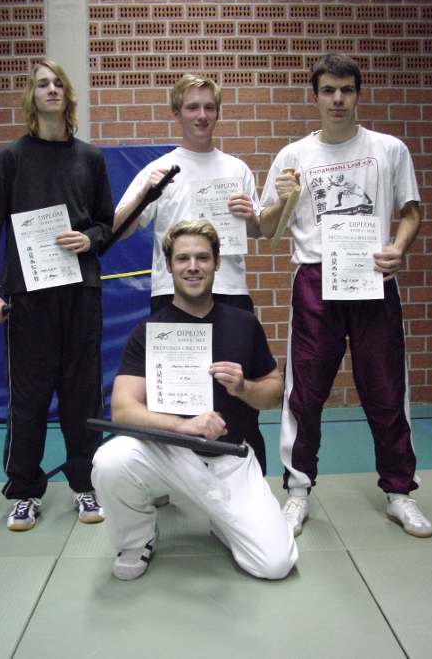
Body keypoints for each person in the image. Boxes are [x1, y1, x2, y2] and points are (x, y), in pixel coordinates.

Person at [260, 53, 432, 539]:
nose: (338, 99)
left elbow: (412, 209)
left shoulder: (388, 149)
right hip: (316, 283)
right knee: (305, 392)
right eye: (329, 90)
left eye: (347, 90)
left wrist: (398, 247)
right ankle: (297, 490)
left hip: (373, 281)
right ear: (314, 96)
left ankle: (400, 492)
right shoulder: (293, 156)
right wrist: (281, 196)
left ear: (358, 94)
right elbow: (267, 229)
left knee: (385, 388)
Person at [91, 220, 298, 581]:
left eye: (203, 257)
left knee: (275, 565)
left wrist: (243, 388)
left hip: (231, 457)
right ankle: (137, 539)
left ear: (217, 263)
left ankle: (224, 521)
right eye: (183, 258)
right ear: (168, 265)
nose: (193, 266)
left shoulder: (244, 323)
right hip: (170, 453)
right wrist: (184, 425)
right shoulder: (149, 332)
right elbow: (123, 409)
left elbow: (274, 391)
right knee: (110, 459)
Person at [0, 59, 115, 531]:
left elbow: (106, 222)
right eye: (42, 84)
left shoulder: (90, 158)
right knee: (29, 397)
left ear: (67, 94)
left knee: (82, 395)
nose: (51, 89)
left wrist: (89, 239)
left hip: (80, 292)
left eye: (58, 82)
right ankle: (25, 491)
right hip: (27, 297)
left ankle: (85, 483)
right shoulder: (11, 158)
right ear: (32, 97)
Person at [113, 73, 268, 472]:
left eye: (209, 107)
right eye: (192, 108)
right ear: (177, 114)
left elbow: (260, 231)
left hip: (231, 292)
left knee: (235, 389)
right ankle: (167, 473)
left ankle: (244, 467)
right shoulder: (161, 170)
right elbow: (118, 227)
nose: (202, 115)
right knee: (171, 390)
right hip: (173, 296)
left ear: (218, 113)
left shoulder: (237, 168)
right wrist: (147, 194)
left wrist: (253, 216)